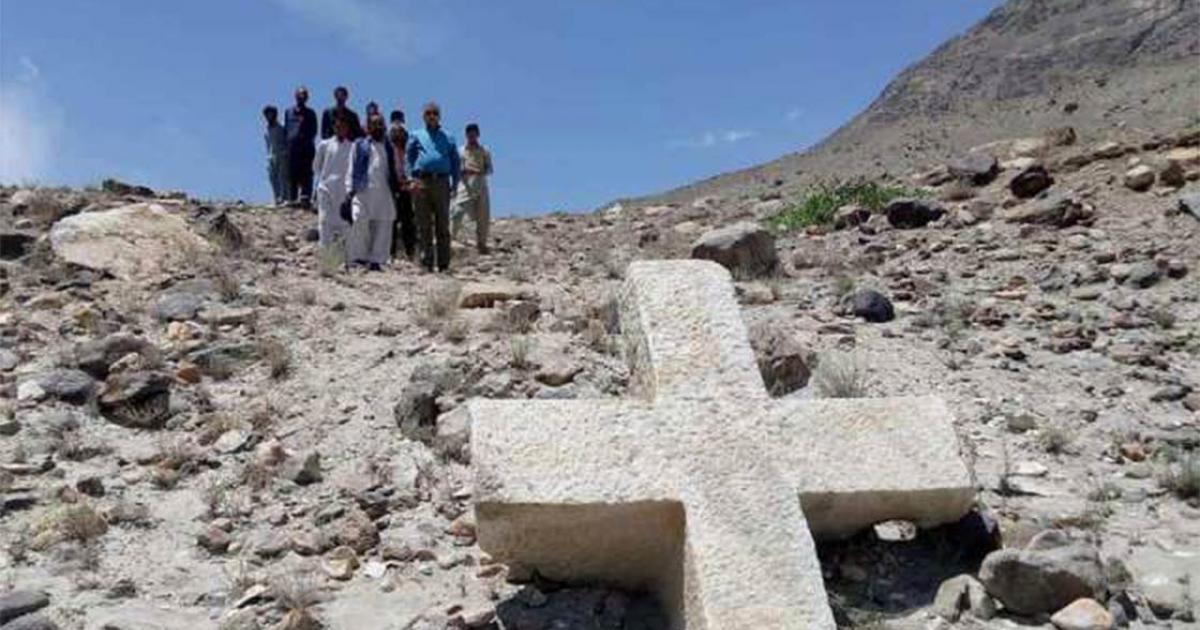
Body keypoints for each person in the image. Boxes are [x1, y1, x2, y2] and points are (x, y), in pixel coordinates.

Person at [407, 102, 459, 272]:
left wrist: (456, 183)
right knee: (423, 224)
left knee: (442, 224)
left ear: (439, 116)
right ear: (423, 116)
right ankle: (426, 263)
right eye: (428, 113)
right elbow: (410, 157)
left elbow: (455, 162)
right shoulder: (416, 135)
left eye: (434, 113)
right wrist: (411, 179)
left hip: (442, 182)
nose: (431, 116)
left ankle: (444, 264)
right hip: (421, 182)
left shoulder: (449, 137)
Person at [344, 113, 399, 271]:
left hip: (384, 189)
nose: (378, 127)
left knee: (383, 224)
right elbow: (351, 167)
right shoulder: (359, 145)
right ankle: (359, 258)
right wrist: (349, 190)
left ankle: (377, 260)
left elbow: (393, 168)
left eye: (380, 123)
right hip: (363, 189)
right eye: (374, 124)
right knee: (360, 221)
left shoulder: (388, 147)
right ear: (367, 127)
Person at [313, 113, 355, 250]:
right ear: (333, 127)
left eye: (343, 126)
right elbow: (316, 166)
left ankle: (346, 257)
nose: (340, 129)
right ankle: (325, 254)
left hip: (344, 191)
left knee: (344, 223)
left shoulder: (353, 147)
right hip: (326, 189)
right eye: (337, 126)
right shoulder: (324, 145)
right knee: (325, 221)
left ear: (347, 128)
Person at [452, 122, 494, 254]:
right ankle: (450, 237)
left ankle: (481, 243)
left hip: (480, 183)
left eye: (474, 133)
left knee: (483, 215)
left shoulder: (484, 151)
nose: (471, 136)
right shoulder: (460, 151)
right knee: (457, 211)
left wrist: (480, 172)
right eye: (469, 133)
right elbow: (456, 168)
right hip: (464, 183)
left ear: (478, 134)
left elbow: (489, 169)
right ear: (466, 135)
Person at [388, 118, 417, 260]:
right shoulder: (387, 149)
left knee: (408, 221)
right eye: (395, 132)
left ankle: (410, 252)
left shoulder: (409, 151)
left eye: (401, 132)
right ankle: (391, 252)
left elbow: (411, 168)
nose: (398, 135)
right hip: (392, 187)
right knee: (391, 220)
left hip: (407, 188)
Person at [285, 86, 318, 208]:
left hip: (306, 147)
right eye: (299, 95)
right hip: (292, 148)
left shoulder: (311, 113)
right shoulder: (288, 111)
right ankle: (292, 198)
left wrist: (305, 140)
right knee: (292, 174)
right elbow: (287, 129)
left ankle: (306, 198)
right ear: (295, 96)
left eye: (304, 95)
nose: (301, 97)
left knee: (307, 174)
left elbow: (314, 131)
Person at [262, 105, 289, 207]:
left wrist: (285, 153)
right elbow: (268, 144)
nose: (269, 116)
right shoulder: (266, 130)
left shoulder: (281, 128)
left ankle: (284, 198)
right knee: (273, 178)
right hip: (271, 156)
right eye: (267, 114)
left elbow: (286, 141)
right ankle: (276, 198)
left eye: (271, 114)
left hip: (282, 155)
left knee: (283, 177)